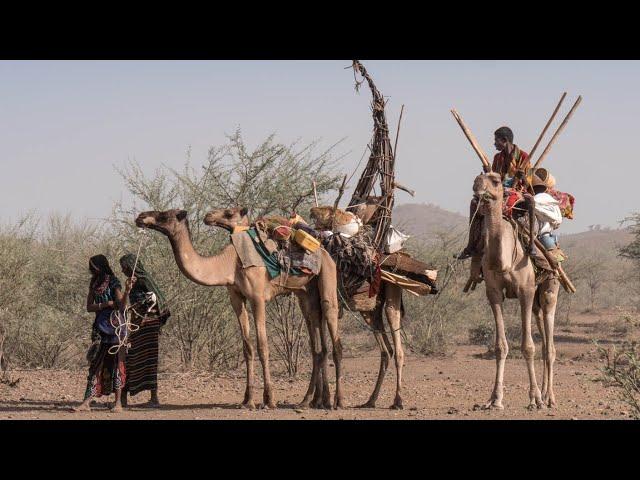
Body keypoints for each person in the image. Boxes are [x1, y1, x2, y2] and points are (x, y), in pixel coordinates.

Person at [458, 126, 531, 260]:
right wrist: (488, 172)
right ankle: (471, 245)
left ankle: (530, 244)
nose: (494, 143)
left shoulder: (524, 157)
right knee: (475, 203)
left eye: (496, 140)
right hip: (499, 192)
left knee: (514, 205)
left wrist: (523, 177)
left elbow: (528, 185)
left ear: (504, 140)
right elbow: (495, 180)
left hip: (517, 193)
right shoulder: (498, 158)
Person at [75, 255, 132, 412]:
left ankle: (118, 403)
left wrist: (126, 291)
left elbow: (121, 306)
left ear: (99, 267)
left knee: (118, 363)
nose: (92, 270)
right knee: (95, 364)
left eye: (93, 267)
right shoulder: (94, 283)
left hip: (116, 327)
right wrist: (105, 304)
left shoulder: (113, 281)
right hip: (100, 327)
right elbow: (89, 307)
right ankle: (87, 401)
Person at [119, 254, 170, 408]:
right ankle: (123, 399)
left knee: (148, 359)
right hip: (136, 325)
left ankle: (153, 398)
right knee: (131, 358)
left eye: (124, 267)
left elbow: (159, 300)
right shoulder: (131, 282)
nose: (122, 270)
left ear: (130, 266)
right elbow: (125, 302)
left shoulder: (144, 280)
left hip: (148, 324)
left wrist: (142, 307)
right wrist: (128, 289)